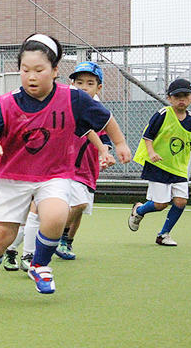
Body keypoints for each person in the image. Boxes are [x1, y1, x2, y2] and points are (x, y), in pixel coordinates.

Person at [0, 33, 131, 298]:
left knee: (56, 214)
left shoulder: (73, 98)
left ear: (55, 70)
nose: (31, 76)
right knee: (1, 234)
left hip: (54, 174)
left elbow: (106, 119)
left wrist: (120, 143)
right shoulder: (7, 102)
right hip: (14, 175)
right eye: (25, 70)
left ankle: (39, 265)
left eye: (39, 70)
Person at [129, 78, 191, 246]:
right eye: (177, 96)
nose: (181, 99)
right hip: (158, 166)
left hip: (178, 167)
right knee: (160, 204)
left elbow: (190, 140)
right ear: (169, 98)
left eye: (186, 95)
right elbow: (147, 136)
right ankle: (139, 210)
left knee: (181, 201)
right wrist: (152, 153)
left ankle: (163, 234)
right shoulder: (163, 114)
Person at [55, 61, 116, 260]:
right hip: (65, 167)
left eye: (90, 83)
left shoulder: (99, 113)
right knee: (78, 204)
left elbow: (106, 139)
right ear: (72, 84)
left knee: (80, 209)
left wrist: (105, 155)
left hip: (88, 170)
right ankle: (52, 236)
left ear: (99, 88)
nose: (83, 87)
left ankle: (66, 242)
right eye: (79, 82)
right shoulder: (66, 106)